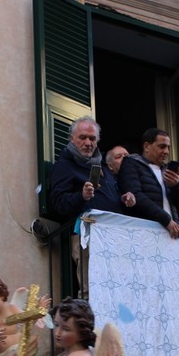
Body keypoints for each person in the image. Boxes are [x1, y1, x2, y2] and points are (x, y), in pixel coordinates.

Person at [48, 118, 135, 296]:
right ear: (72, 139)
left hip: (115, 238)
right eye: (83, 137)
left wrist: (124, 199)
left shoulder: (102, 166)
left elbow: (108, 199)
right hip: (87, 238)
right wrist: (81, 197)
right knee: (93, 294)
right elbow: (58, 205)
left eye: (92, 138)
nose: (88, 143)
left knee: (119, 293)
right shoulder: (64, 166)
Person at [116, 128, 179, 239]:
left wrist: (177, 186)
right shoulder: (131, 163)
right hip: (144, 233)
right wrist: (166, 219)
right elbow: (135, 195)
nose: (166, 151)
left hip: (172, 236)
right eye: (162, 146)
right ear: (147, 146)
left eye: (168, 147)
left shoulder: (168, 171)